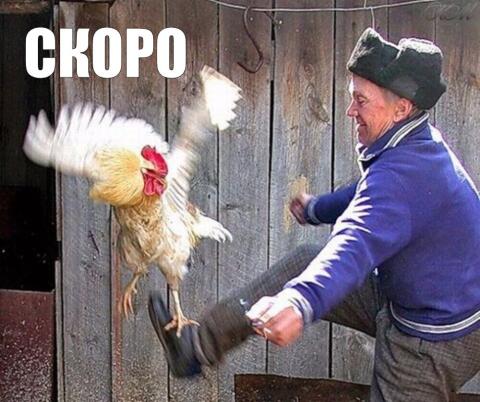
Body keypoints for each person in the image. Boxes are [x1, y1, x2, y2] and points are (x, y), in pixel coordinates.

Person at [148, 28, 480, 400]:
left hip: (433, 337)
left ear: (401, 108)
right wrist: (317, 208)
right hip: (417, 297)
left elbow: (356, 242)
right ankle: (195, 348)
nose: (351, 110)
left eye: (361, 100)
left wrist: (300, 301)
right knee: (305, 262)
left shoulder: (404, 175)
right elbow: (369, 195)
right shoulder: (415, 146)